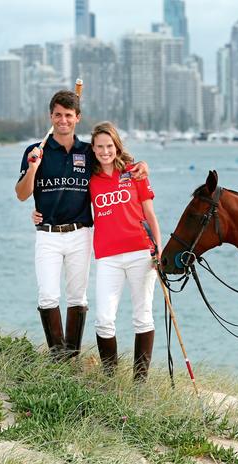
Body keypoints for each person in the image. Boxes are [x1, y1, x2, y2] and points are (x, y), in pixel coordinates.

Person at [15, 90, 148, 360]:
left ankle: (71, 359)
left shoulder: (87, 152)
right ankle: (58, 358)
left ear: (77, 118)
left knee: (78, 297)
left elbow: (116, 166)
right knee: (48, 296)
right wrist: (33, 169)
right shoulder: (35, 151)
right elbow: (21, 194)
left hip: (81, 233)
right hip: (48, 234)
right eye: (57, 115)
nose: (62, 120)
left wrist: (142, 166)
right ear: (50, 117)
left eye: (68, 116)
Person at [88, 122, 161, 380]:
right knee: (103, 320)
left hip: (141, 252)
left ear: (117, 146)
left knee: (143, 316)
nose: (105, 151)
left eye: (109, 146)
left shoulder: (135, 173)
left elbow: (149, 213)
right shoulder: (90, 178)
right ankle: (111, 380)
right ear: (93, 149)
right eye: (100, 147)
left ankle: (140, 383)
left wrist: (158, 249)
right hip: (108, 257)